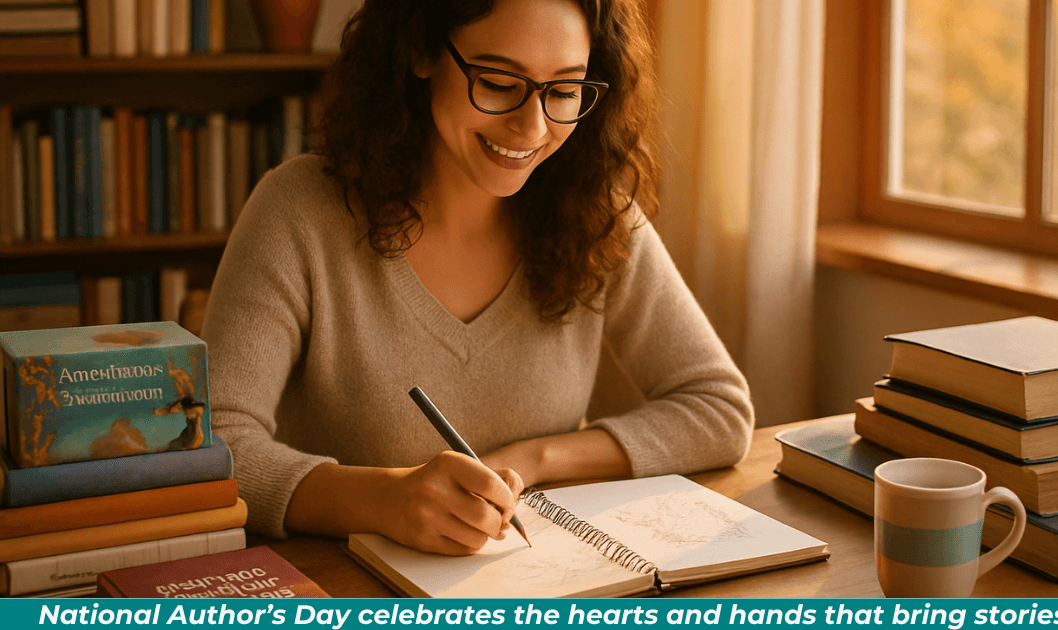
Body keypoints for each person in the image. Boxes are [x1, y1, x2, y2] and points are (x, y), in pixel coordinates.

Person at [202, 0, 753, 556]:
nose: (532, 127)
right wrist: (381, 500)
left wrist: (532, 459)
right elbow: (216, 443)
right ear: (420, 51)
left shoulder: (595, 214)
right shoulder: (299, 211)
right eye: (496, 82)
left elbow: (719, 409)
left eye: (563, 91)